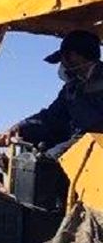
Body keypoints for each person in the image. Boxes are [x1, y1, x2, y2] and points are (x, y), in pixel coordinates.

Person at [6, 30, 103, 158]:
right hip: (84, 144)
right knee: (37, 153)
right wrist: (21, 128)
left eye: (62, 60)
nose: (62, 65)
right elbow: (52, 117)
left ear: (74, 56)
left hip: (95, 146)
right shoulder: (72, 88)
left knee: (52, 158)